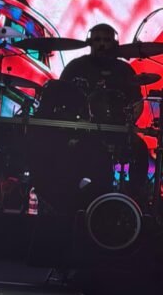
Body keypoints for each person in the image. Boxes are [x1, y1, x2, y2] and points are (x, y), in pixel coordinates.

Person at [31, 23, 149, 212]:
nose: (102, 44)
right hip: (81, 130)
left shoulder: (124, 70)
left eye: (106, 40)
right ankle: (67, 201)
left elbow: (137, 102)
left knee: (141, 150)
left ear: (115, 43)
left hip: (116, 130)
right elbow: (59, 95)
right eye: (97, 40)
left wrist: (128, 123)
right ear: (90, 42)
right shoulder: (76, 66)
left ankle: (133, 200)